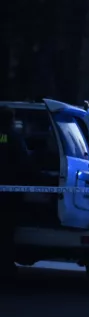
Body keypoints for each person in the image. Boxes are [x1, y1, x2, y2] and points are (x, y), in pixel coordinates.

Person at [0, 108, 31, 282]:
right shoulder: (13, 138)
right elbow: (24, 163)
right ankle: (5, 268)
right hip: (9, 194)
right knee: (6, 232)